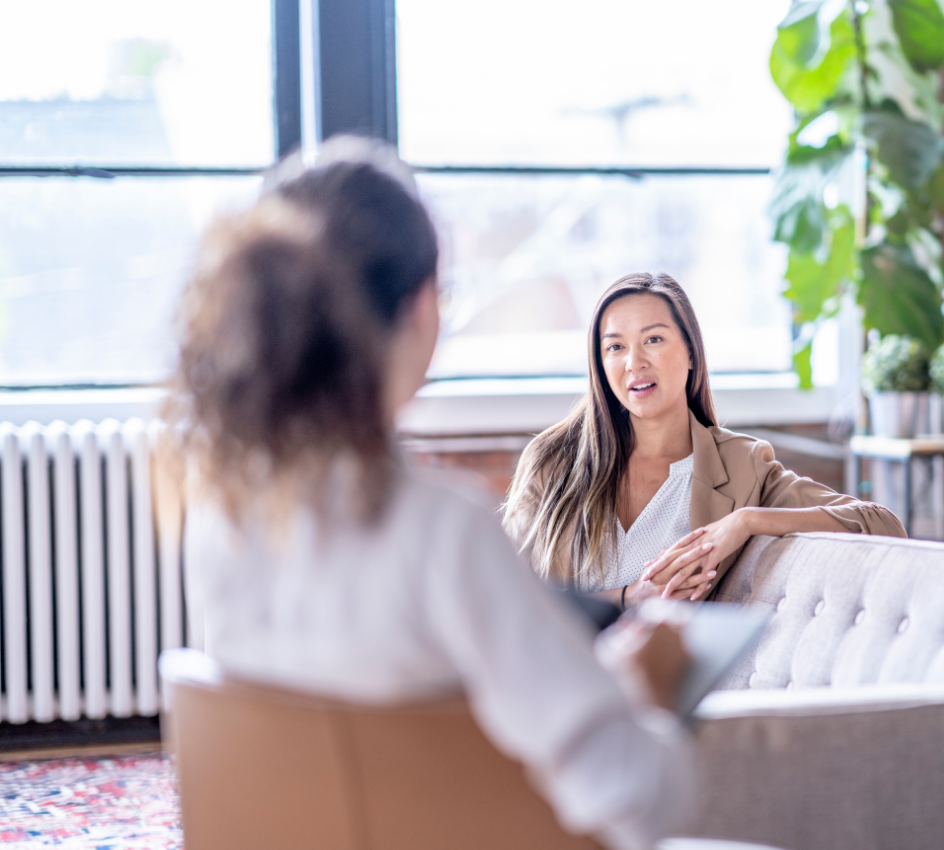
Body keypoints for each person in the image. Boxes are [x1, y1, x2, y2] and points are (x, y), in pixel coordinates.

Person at [169, 138, 695, 850]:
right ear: (421, 308)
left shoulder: (221, 517)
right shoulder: (443, 531)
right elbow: (637, 799)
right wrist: (642, 693)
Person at [503, 273, 906, 608]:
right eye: (615, 347)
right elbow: (502, 595)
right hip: (562, 682)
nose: (634, 362)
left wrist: (747, 520)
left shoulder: (741, 465)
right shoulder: (552, 461)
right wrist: (629, 599)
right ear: (601, 364)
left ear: (692, 352)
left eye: (654, 339)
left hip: (675, 691)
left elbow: (882, 525)